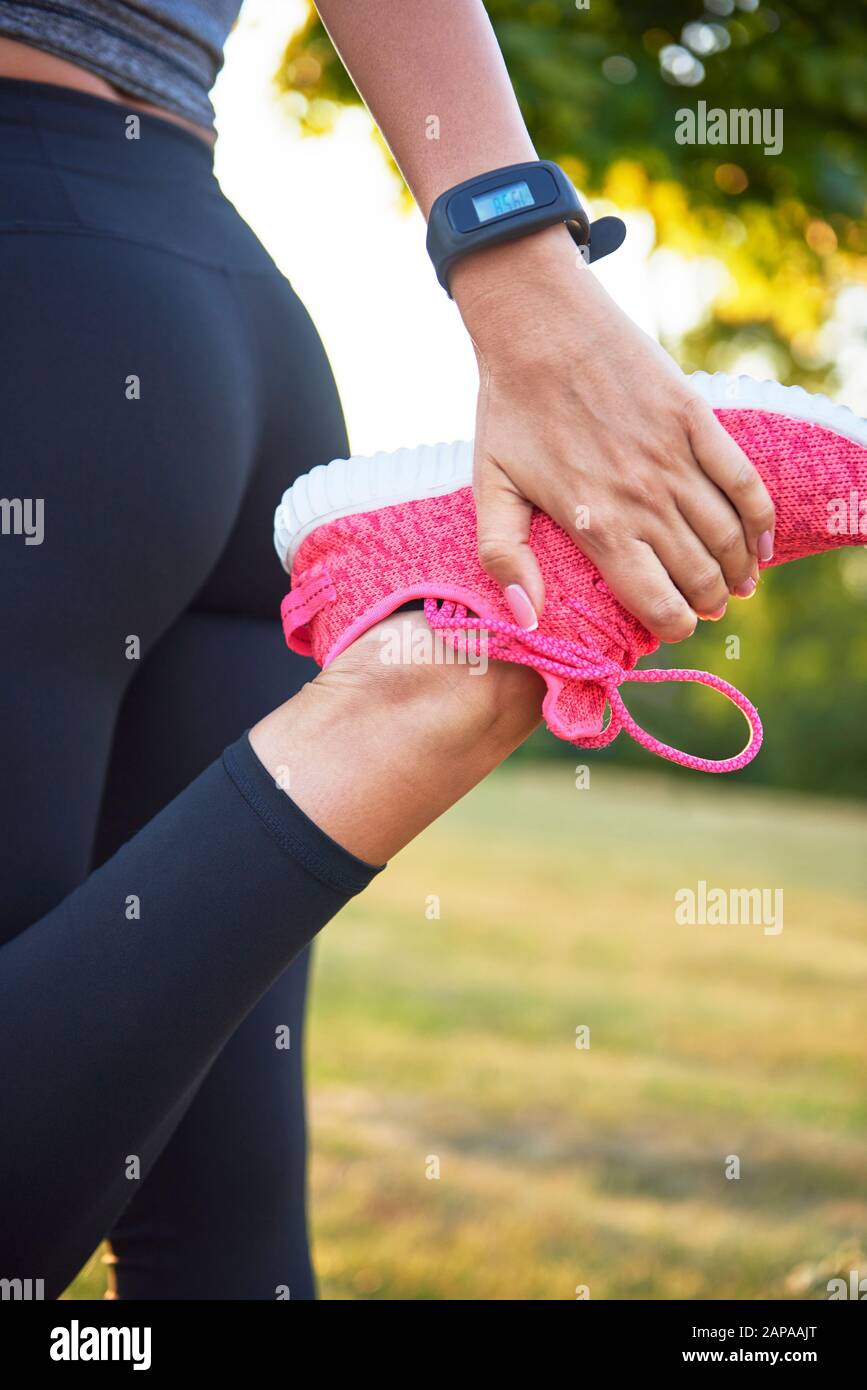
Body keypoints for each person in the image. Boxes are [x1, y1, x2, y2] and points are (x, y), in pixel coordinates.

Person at [0, 1, 774, 1300]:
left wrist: (525, 276)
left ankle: (395, 711)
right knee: (215, 1238)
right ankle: (414, 692)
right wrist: (511, 247)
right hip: (197, 306)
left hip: (40, 325)